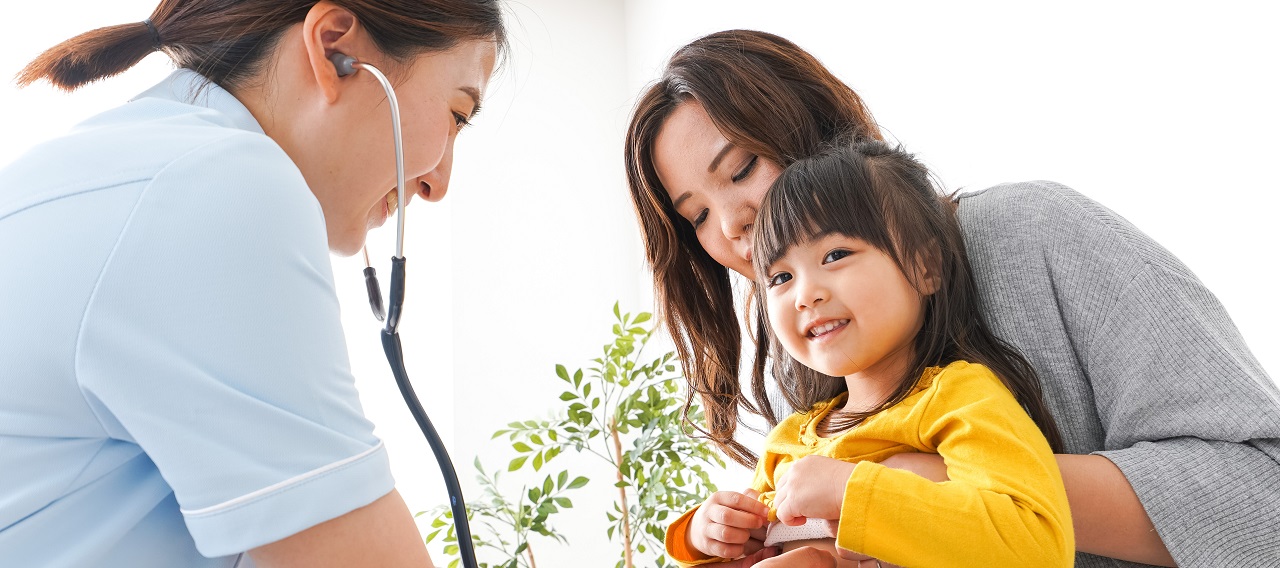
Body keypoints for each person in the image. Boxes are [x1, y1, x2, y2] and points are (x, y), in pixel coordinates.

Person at [625, 30, 1280, 568]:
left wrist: (926, 486)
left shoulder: (1034, 234)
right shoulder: (812, 358)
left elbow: (1264, 493)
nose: (732, 225)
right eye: (697, 216)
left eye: (741, 169)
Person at [0, 1, 504, 566]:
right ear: (335, 49)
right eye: (457, 115)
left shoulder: (112, 160)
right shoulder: (214, 184)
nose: (439, 183)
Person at [665, 140, 1073, 567]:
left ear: (924, 267)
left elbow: (1038, 545)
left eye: (835, 255)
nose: (805, 295)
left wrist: (852, 492)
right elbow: (748, 544)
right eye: (781, 277)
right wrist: (707, 535)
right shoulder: (788, 440)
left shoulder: (960, 398)